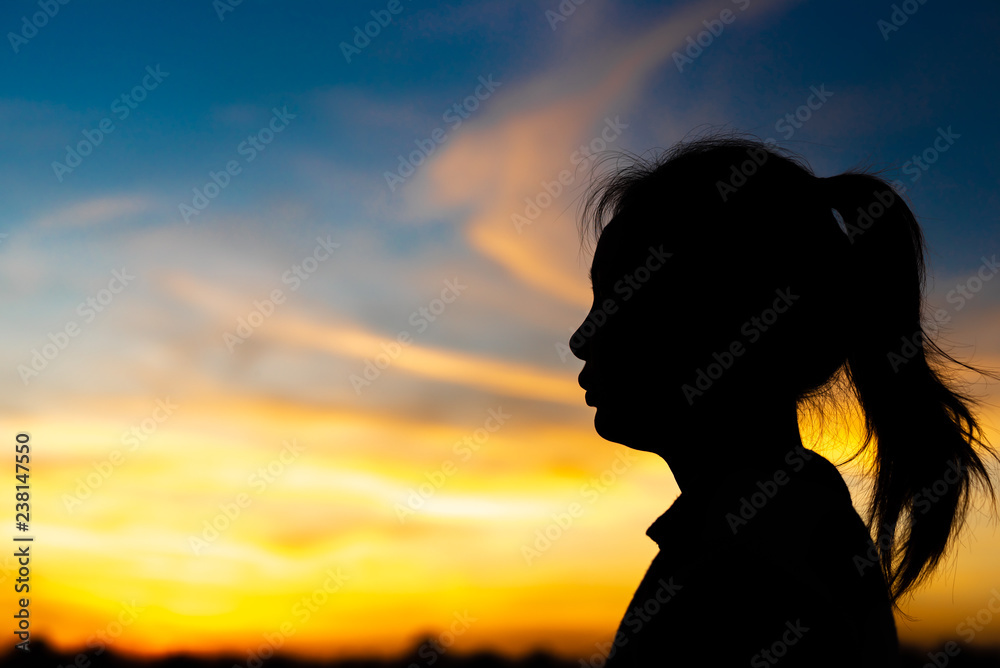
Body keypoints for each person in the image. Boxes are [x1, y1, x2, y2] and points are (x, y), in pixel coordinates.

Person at [568, 135, 997, 666]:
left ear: (720, 318)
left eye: (618, 297)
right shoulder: (787, 530)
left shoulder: (738, 581)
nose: (582, 338)